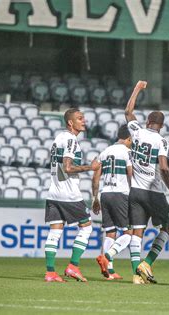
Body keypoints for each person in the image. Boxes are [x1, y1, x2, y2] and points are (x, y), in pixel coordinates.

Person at [124, 80, 169, 284]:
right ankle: (147, 263)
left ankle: (136, 275)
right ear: (161, 126)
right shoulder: (161, 141)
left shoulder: (137, 132)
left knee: (137, 232)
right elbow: (163, 167)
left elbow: (128, 112)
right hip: (153, 192)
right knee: (168, 227)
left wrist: (137, 88)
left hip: (135, 191)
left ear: (147, 122)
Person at [43, 108, 101, 283]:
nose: (84, 121)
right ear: (70, 122)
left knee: (55, 232)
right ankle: (73, 266)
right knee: (86, 227)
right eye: (80, 118)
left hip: (53, 192)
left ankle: (50, 272)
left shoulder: (58, 138)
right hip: (69, 195)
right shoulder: (70, 140)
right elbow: (67, 168)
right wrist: (90, 167)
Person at [93, 125, 133, 280]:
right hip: (120, 194)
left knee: (110, 232)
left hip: (105, 194)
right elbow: (130, 173)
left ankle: (109, 271)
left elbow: (96, 176)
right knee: (129, 233)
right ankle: (107, 257)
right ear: (129, 138)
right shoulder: (127, 152)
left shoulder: (106, 151)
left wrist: (95, 197)